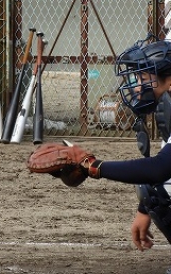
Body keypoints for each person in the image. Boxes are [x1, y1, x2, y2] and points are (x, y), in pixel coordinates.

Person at [30, 36, 171, 267]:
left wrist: (94, 166)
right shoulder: (168, 109)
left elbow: (160, 168)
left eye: (145, 78)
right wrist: (145, 209)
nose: (137, 86)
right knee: (151, 193)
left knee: (157, 188)